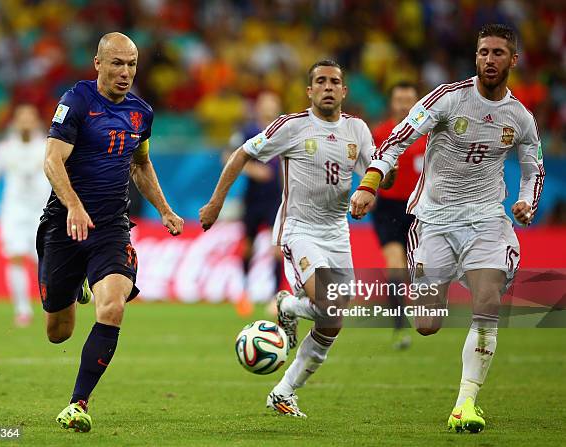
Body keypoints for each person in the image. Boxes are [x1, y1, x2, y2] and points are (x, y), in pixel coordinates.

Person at [351, 24, 545, 433]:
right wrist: (370, 184)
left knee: (487, 303)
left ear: (513, 60)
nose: (488, 60)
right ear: (475, 56)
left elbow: (534, 169)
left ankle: (465, 403)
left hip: (488, 221)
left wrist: (528, 200)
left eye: (497, 53)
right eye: (482, 52)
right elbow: (397, 140)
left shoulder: (520, 118)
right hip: (434, 221)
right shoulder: (448, 98)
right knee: (426, 324)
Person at [200, 60, 394, 417]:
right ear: (310, 91)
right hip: (299, 229)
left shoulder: (358, 130)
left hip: (338, 232)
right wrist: (215, 203)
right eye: (320, 81)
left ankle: (284, 390)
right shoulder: (292, 126)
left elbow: (381, 174)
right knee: (328, 303)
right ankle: (288, 306)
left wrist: (375, 184)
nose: (328, 86)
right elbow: (243, 152)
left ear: (344, 90)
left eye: (335, 81)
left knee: (333, 320)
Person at [39, 32, 184, 432]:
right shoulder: (77, 101)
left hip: (111, 227)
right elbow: (52, 160)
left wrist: (166, 210)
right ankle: (75, 287)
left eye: (132, 64)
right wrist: (73, 205)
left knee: (114, 306)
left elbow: (140, 164)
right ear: (98, 63)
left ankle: (78, 403)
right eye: (117, 63)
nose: (125, 72)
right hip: (64, 224)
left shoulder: (141, 113)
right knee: (58, 332)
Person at [0, 103, 51, 327]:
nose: (26, 122)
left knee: (46, 261)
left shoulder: (48, 146)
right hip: (14, 211)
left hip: (43, 211)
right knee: (16, 256)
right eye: (22, 118)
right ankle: (22, 310)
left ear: (36, 121)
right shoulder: (5, 148)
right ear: (15, 122)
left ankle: (52, 306)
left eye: (30, 117)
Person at [371, 82, 427, 349]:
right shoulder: (381, 133)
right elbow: (368, 165)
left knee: (417, 269)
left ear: (417, 103)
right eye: (399, 99)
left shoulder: (429, 134)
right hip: (389, 208)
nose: (404, 105)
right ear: (392, 103)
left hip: (420, 209)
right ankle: (399, 326)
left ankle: (423, 316)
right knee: (394, 263)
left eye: (409, 99)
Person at [228, 91, 283, 316]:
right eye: (265, 102)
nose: (268, 106)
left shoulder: (284, 130)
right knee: (248, 246)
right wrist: (253, 169)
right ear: (258, 106)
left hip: (276, 198)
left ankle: (275, 296)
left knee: (277, 248)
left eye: (272, 102)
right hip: (253, 198)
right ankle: (244, 292)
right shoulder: (248, 131)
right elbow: (228, 156)